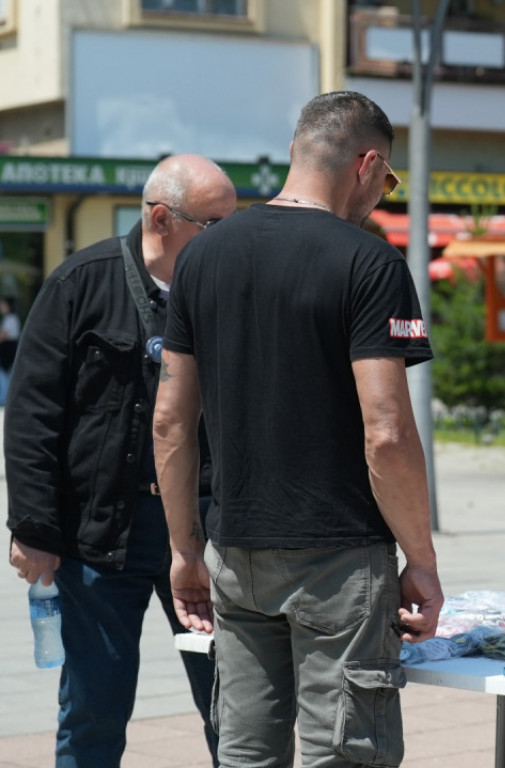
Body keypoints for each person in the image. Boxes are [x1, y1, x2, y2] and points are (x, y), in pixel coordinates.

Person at [152, 91, 444, 767]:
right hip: (339, 559)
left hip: (236, 550)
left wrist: (184, 549)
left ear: (295, 154)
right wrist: (421, 559)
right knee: (343, 754)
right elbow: (388, 432)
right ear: (368, 165)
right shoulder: (370, 264)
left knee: (246, 754)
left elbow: (170, 421)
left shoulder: (201, 257)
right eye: (388, 179)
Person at [5, 154, 235, 766]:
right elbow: (32, 415)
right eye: (215, 225)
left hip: (205, 530)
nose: (230, 240)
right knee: (93, 711)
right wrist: (32, 528)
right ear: (162, 218)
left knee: (232, 707)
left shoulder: (230, 293)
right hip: (99, 536)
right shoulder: (80, 283)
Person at [0, 295, 20, 404]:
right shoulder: (9, 318)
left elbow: (3, 335)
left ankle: (5, 397)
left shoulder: (12, 318)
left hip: (8, 348)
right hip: (7, 348)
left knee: (5, 374)